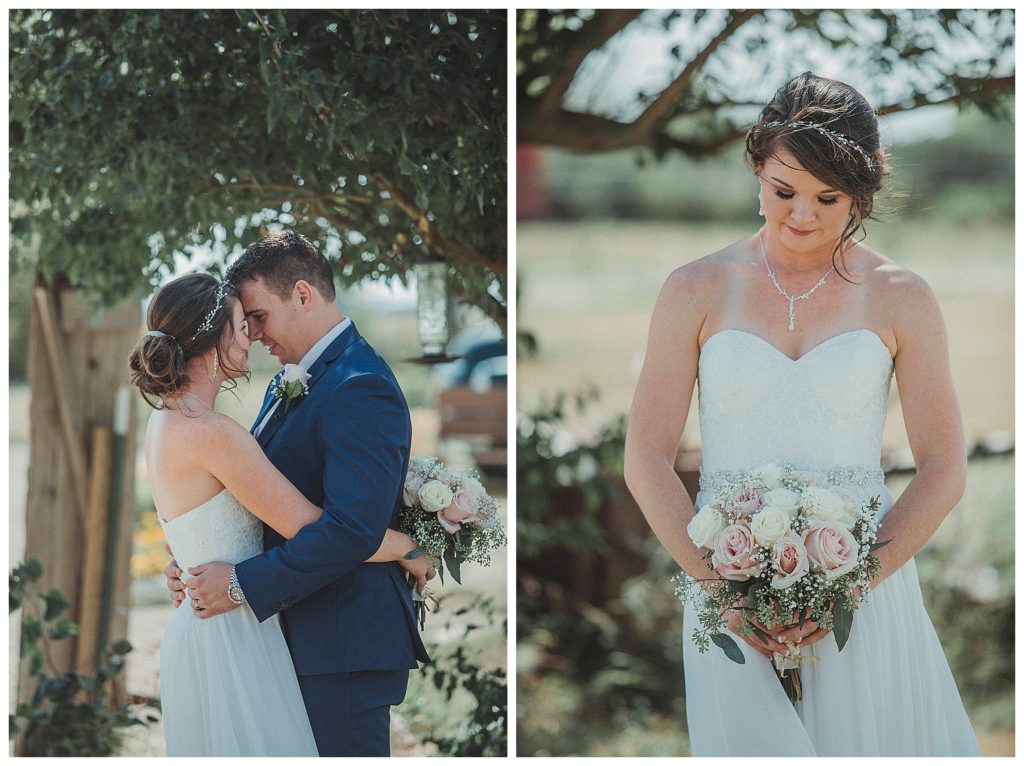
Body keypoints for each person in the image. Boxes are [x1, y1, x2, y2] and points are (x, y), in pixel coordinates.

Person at [623, 72, 979, 756]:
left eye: (829, 198)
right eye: (783, 191)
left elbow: (944, 467)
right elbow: (645, 456)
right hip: (728, 593)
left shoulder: (903, 297)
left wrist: (851, 586)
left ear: (861, 195)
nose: (803, 216)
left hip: (864, 597)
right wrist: (718, 584)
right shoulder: (693, 289)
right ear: (757, 165)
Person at [142, 234, 430, 756]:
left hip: (339, 643)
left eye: (258, 316)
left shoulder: (359, 383)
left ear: (302, 294)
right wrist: (196, 562)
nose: (252, 334)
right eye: (243, 322)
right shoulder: (276, 390)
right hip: (273, 636)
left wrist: (231, 580)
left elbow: (347, 529)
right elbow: (279, 513)